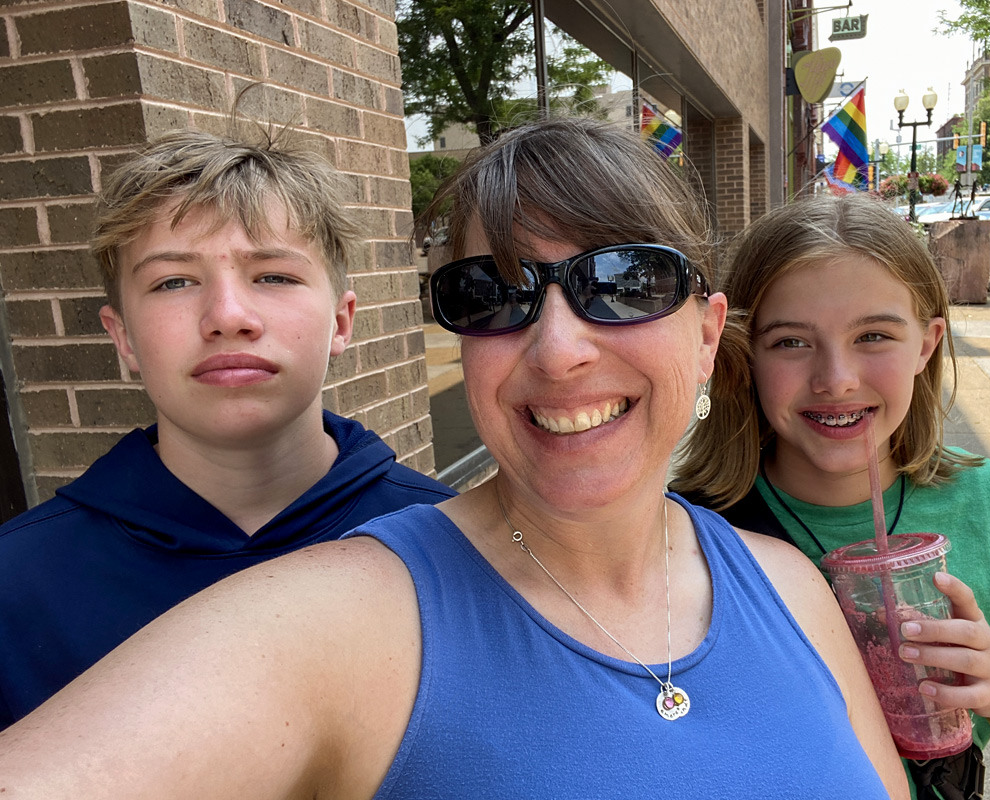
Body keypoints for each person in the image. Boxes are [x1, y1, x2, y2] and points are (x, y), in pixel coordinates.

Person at [0, 119, 908, 798]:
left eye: (625, 283)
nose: (558, 350)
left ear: (708, 335)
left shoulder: (790, 585)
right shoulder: (350, 613)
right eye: (492, 295)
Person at [0, 129, 453, 729]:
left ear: (340, 322)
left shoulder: (459, 549)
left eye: (273, 276)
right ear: (124, 337)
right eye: (173, 282)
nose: (228, 317)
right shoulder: (16, 587)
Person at [673, 195, 990, 799]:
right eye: (791, 342)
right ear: (743, 355)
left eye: (873, 335)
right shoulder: (683, 530)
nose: (836, 378)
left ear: (927, 344)